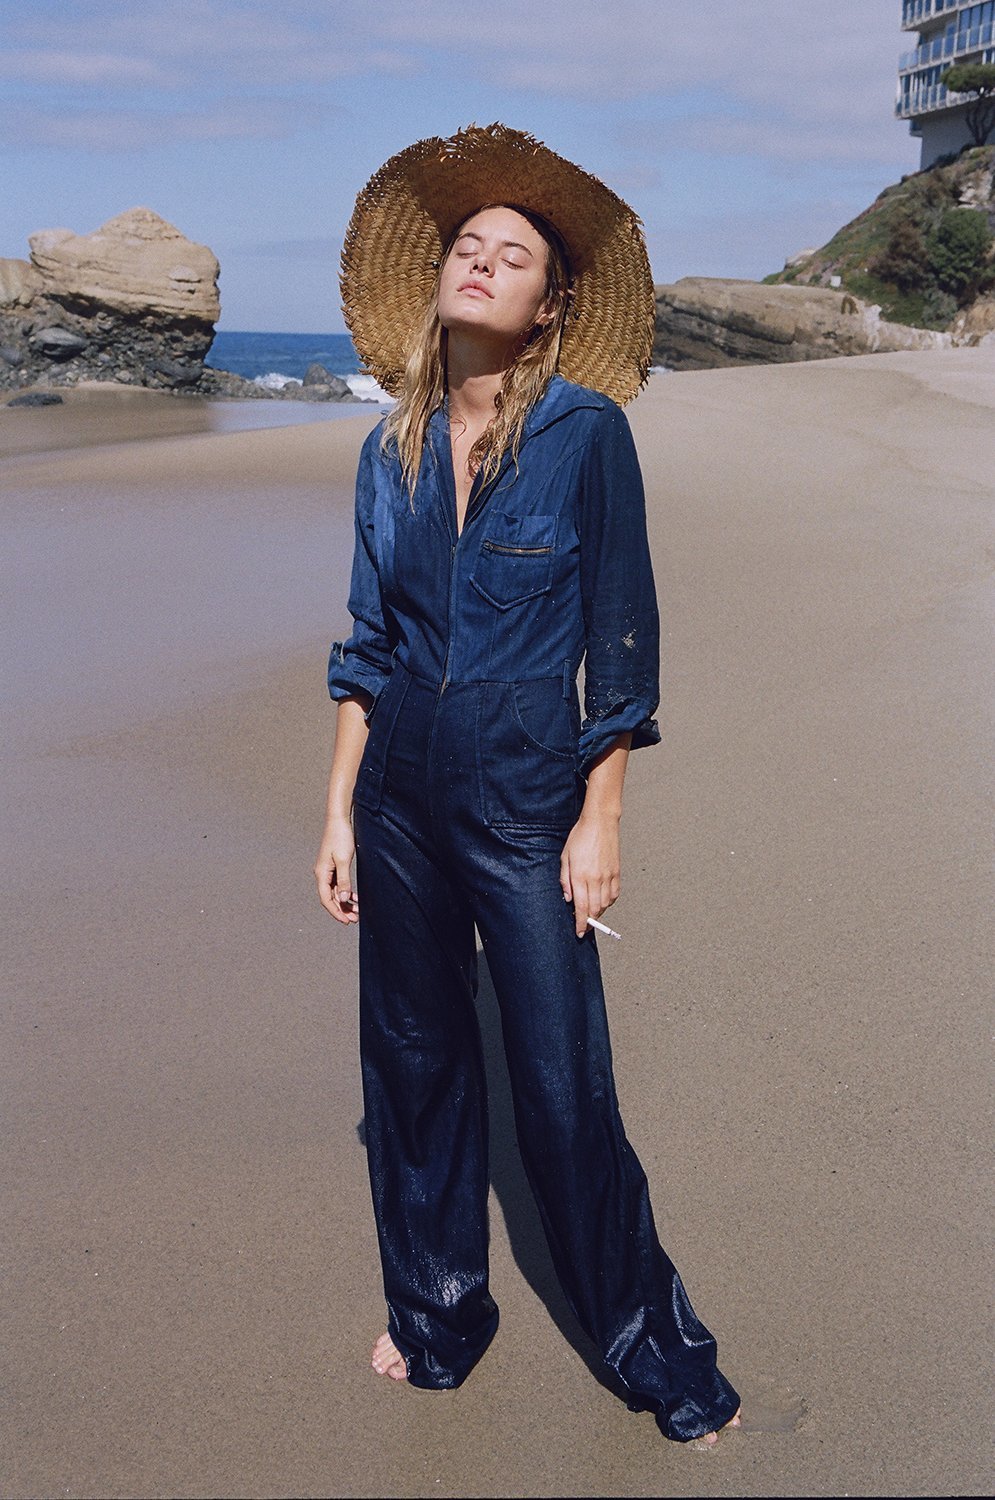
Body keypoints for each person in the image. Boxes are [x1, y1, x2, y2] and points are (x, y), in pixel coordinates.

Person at [314, 123, 741, 1446]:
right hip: (396, 798)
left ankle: (656, 1354)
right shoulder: (387, 452)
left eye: (514, 256)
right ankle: (438, 1316)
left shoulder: (584, 436)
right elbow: (367, 647)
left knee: (559, 1087)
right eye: (467, 245)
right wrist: (338, 812)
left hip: (523, 800)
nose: (483, 262)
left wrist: (600, 819)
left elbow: (621, 642)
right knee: (414, 1066)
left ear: (550, 305)